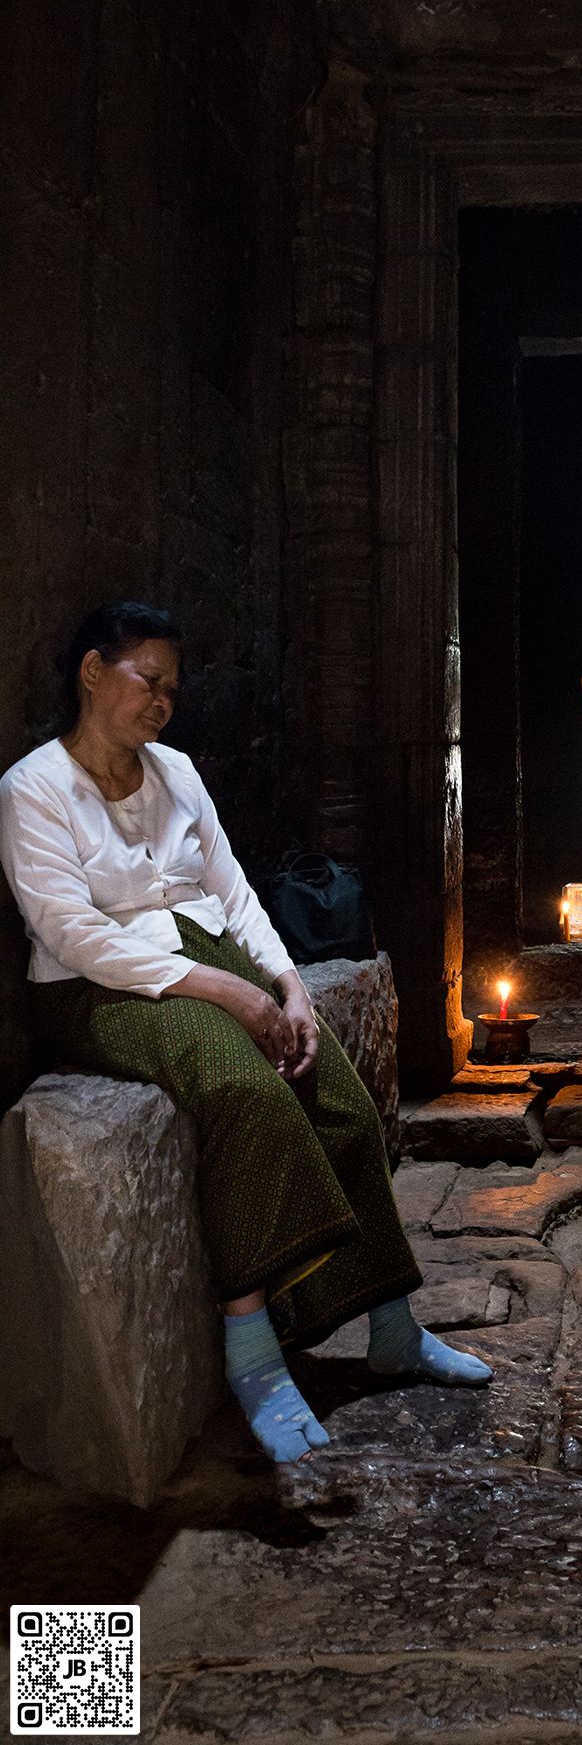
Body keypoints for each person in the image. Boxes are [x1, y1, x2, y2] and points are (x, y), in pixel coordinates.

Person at [0, 601, 491, 1470]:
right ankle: (256, 1359)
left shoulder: (177, 773)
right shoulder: (34, 786)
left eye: (172, 690)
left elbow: (233, 896)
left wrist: (289, 987)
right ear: (91, 671)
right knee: (241, 1088)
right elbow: (72, 931)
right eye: (148, 680)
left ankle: (391, 1326)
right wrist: (226, 990)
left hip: (210, 959)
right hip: (97, 986)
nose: (162, 703)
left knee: (333, 1089)